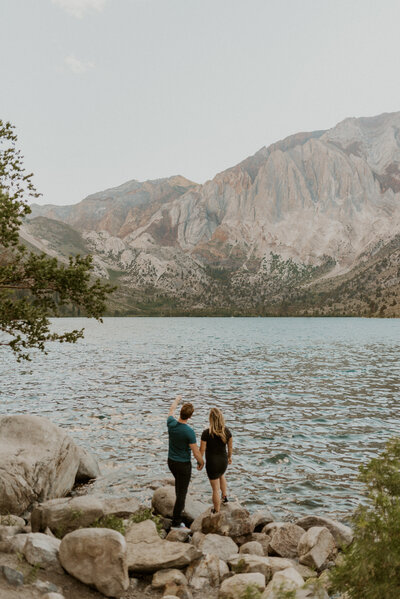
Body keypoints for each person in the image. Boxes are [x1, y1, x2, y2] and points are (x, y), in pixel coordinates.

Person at [167, 395, 204, 530]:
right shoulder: (189, 432)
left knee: (179, 487)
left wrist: (177, 400)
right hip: (183, 465)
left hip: (171, 462)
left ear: (181, 412)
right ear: (190, 416)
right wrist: (202, 462)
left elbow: (171, 410)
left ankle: (177, 510)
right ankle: (176, 522)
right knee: (182, 493)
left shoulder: (170, 423)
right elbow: (195, 452)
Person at [200, 407, 233, 513]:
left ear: (211, 419)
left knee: (215, 489)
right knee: (221, 475)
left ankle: (217, 512)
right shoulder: (227, 432)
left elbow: (202, 450)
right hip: (223, 462)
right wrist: (229, 457)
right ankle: (225, 496)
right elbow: (230, 447)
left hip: (212, 464)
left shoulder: (206, 433)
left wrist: (200, 462)